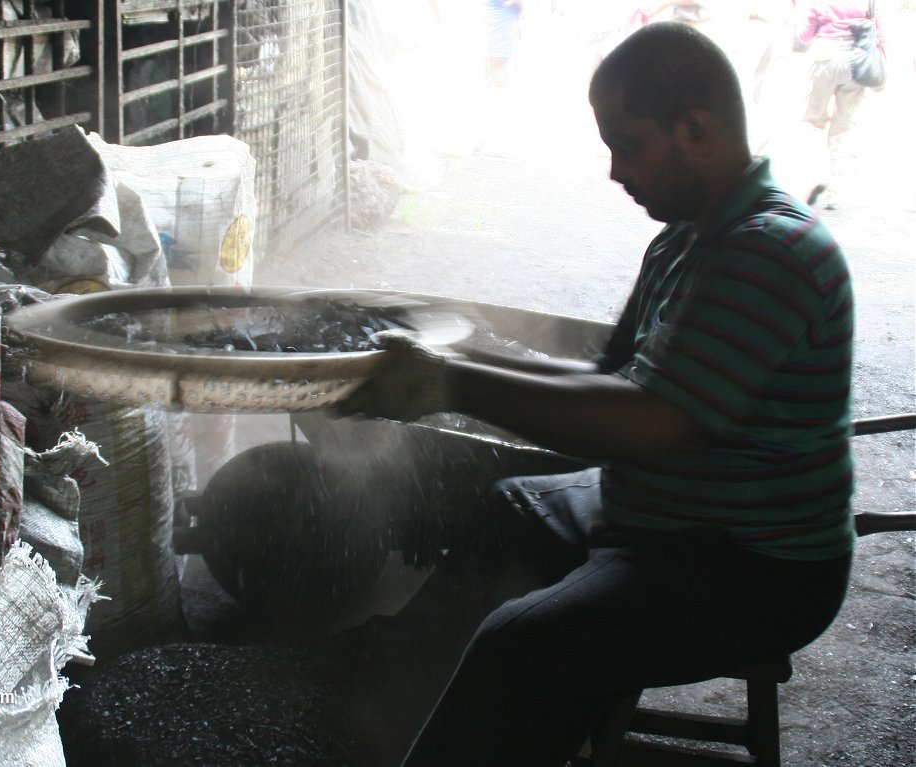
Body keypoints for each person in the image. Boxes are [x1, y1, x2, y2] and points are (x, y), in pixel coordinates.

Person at [340, 21, 855, 766]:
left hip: (750, 565)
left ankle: (483, 722)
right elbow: (613, 379)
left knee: (523, 644)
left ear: (696, 128)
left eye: (628, 143)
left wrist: (448, 382)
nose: (616, 170)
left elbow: (644, 422)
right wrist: (460, 360)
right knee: (510, 510)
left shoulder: (769, 253)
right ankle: (400, 698)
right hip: (665, 510)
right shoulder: (685, 239)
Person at [795, 0, 886, 210]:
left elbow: (806, 35)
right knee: (843, 128)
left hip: (826, 57)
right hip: (858, 61)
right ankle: (833, 192)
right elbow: (880, 33)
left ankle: (811, 184)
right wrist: (883, 70)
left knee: (813, 123)